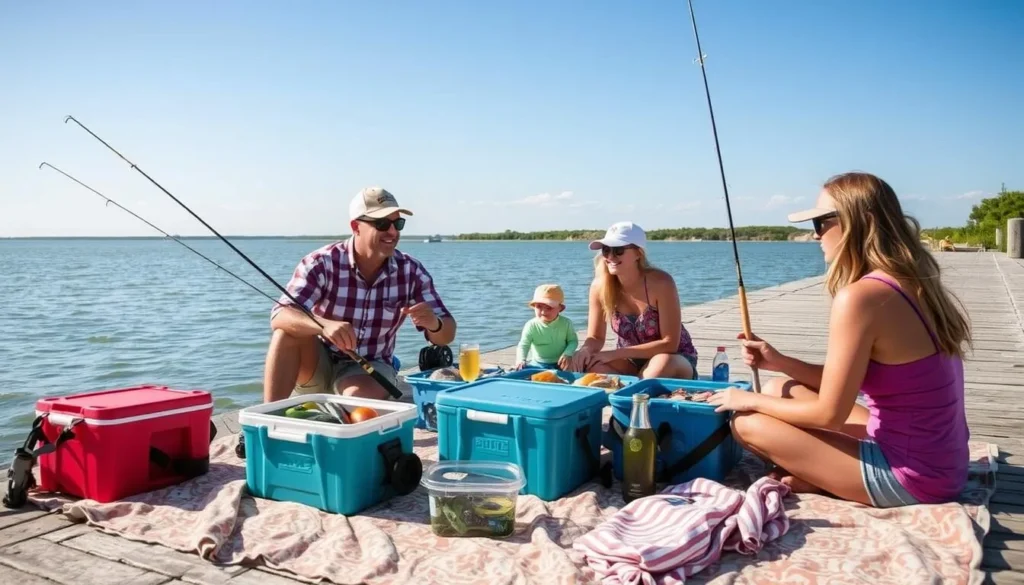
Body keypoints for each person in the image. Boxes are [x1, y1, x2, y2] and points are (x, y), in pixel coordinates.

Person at [708, 171, 972, 508]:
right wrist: (780, 362)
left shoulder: (862, 297)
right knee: (779, 387)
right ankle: (825, 474)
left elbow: (829, 415)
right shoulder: (910, 281)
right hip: (940, 460)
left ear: (861, 222)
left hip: (914, 477)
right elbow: (850, 382)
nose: (816, 234)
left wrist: (747, 400)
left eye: (820, 223)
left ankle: (825, 477)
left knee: (747, 424)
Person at [262, 186, 456, 402]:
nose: (393, 232)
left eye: (398, 224)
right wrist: (323, 325)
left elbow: (447, 334)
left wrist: (434, 323)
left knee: (356, 401)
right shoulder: (321, 262)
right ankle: (267, 416)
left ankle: (346, 409)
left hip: (370, 368)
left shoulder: (411, 270)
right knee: (285, 333)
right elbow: (280, 315)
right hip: (316, 364)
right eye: (382, 224)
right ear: (356, 226)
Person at [569, 221, 699, 379]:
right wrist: (585, 351)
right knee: (592, 366)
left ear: (638, 253)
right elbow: (596, 338)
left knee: (661, 364)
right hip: (629, 360)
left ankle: (634, 387)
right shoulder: (599, 286)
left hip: (673, 358)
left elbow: (669, 344)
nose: (610, 256)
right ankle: (636, 387)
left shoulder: (661, 282)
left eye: (618, 250)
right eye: (606, 250)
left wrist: (615, 354)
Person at [514, 284, 579, 370]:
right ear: (534, 307)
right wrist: (521, 360)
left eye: (549, 308)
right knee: (521, 373)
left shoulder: (566, 323)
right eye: (539, 307)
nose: (543, 312)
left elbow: (573, 341)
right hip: (538, 363)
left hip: (561, 362)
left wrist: (567, 353)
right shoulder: (531, 325)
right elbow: (524, 345)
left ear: (560, 308)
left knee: (570, 374)